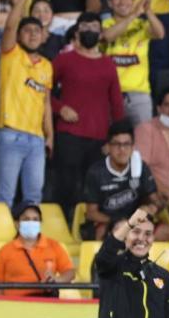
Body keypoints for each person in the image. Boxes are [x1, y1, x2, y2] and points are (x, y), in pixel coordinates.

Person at [51, 13, 125, 218]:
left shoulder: (108, 64)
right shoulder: (64, 60)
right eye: (85, 26)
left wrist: (116, 140)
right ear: (77, 31)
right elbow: (41, 91)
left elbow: (117, 104)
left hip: (99, 138)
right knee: (66, 185)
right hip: (69, 134)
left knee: (94, 189)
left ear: (101, 33)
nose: (90, 30)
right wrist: (59, 108)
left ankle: (87, 229)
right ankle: (62, 226)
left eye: (94, 26)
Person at [0, 0, 53, 206]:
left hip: (36, 139)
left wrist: (50, 135)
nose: (33, 34)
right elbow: (9, 26)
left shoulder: (47, 65)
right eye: (27, 31)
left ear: (43, 36)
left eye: (37, 31)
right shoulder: (11, 54)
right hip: (10, 134)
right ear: (19, 36)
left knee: (34, 198)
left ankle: (29, 240)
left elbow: (45, 103)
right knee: (4, 197)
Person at [95, 207, 169, 318]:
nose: (142, 238)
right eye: (136, 232)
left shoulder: (163, 275)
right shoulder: (112, 267)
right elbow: (104, 256)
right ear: (125, 235)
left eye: (148, 234)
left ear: (153, 238)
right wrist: (129, 223)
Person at [83, 121, 160, 241]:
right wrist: (120, 222)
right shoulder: (96, 171)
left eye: (126, 144)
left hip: (137, 222)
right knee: (104, 232)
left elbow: (155, 200)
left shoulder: (140, 166)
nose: (122, 149)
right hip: (108, 222)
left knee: (168, 233)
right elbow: (91, 213)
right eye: (116, 144)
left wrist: (151, 208)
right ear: (108, 147)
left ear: (133, 147)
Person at [102, 0, 165, 124]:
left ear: (133, 0)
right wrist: (133, 15)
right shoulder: (103, 25)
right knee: (110, 142)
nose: (123, 1)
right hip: (109, 94)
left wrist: (148, 10)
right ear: (110, 2)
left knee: (143, 143)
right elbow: (107, 36)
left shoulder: (142, 25)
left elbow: (160, 33)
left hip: (139, 94)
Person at [0, 202, 75, 297]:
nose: (31, 223)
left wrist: (56, 280)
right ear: (17, 224)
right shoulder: (5, 250)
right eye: (26, 219)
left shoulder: (54, 246)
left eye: (35, 219)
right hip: (14, 305)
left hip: (45, 305)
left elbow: (70, 272)